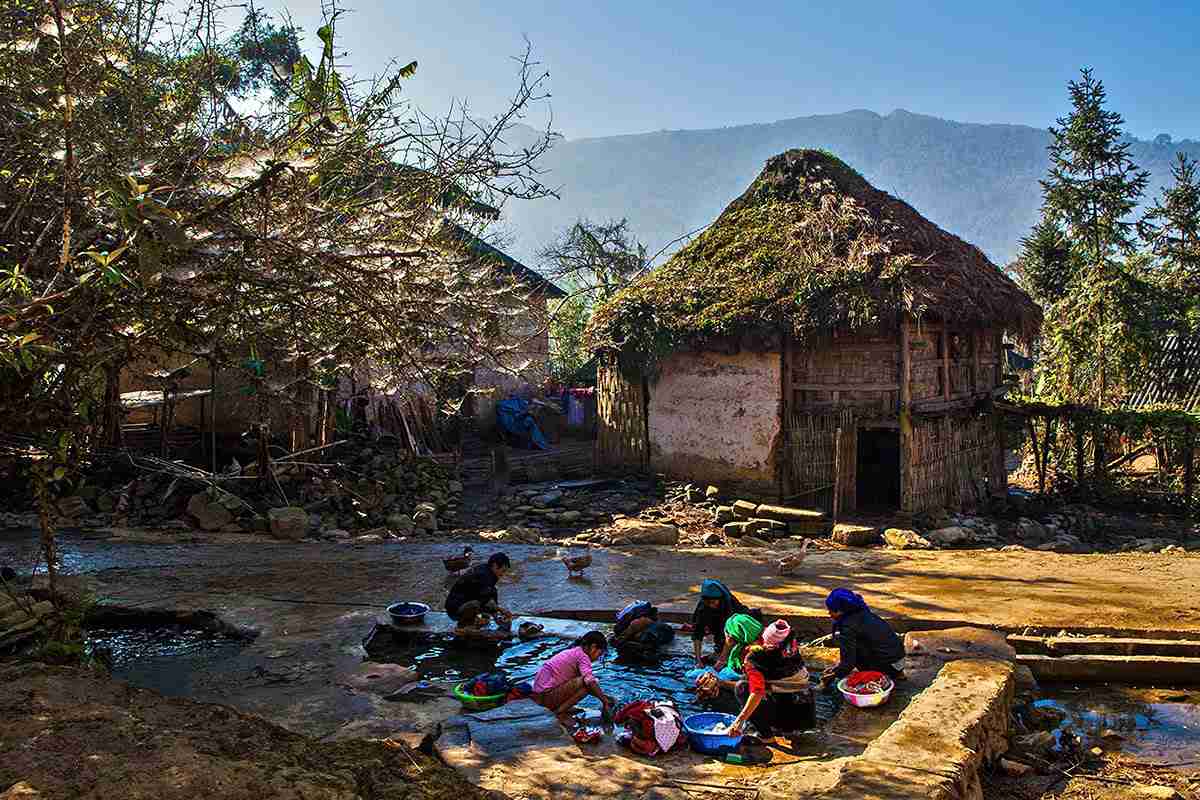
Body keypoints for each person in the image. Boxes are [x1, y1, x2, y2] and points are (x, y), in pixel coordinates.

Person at [728, 619, 816, 736]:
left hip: (787, 719)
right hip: (806, 715)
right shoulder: (786, 642)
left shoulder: (755, 657)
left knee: (742, 687)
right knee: (748, 680)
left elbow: (757, 692)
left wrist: (739, 721)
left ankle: (767, 736)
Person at [818, 588, 906, 689]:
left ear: (841, 611)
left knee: (853, 652)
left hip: (890, 667)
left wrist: (833, 675)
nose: (829, 613)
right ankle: (899, 674)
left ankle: (883, 676)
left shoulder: (848, 626)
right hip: (900, 660)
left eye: (832, 610)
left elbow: (848, 663)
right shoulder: (862, 611)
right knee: (861, 645)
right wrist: (838, 668)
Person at [531, 630, 616, 723]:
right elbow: (589, 681)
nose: (597, 658)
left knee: (587, 683)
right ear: (593, 647)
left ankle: (562, 708)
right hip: (545, 698)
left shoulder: (574, 652)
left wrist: (603, 697)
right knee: (587, 682)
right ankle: (559, 711)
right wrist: (604, 701)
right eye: (599, 654)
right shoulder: (583, 657)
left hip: (540, 697)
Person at [691, 579, 761, 668]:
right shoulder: (703, 608)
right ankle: (721, 651)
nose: (711, 605)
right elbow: (697, 633)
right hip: (720, 626)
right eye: (708, 603)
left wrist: (721, 659)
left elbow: (730, 637)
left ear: (720, 599)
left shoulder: (730, 605)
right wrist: (698, 660)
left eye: (713, 602)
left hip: (739, 630)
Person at [445, 552, 513, 631]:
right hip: (455, 610)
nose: (503, 574)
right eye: (503, 570)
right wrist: (500, 610)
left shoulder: (489, 572)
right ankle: (463, 626)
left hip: (466, 602)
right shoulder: (483, 575)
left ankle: (478, 619)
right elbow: (484, 599)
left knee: (491, 593)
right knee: (475, 604)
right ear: (495, 565)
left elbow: (491, 593)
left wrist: (496, 615)